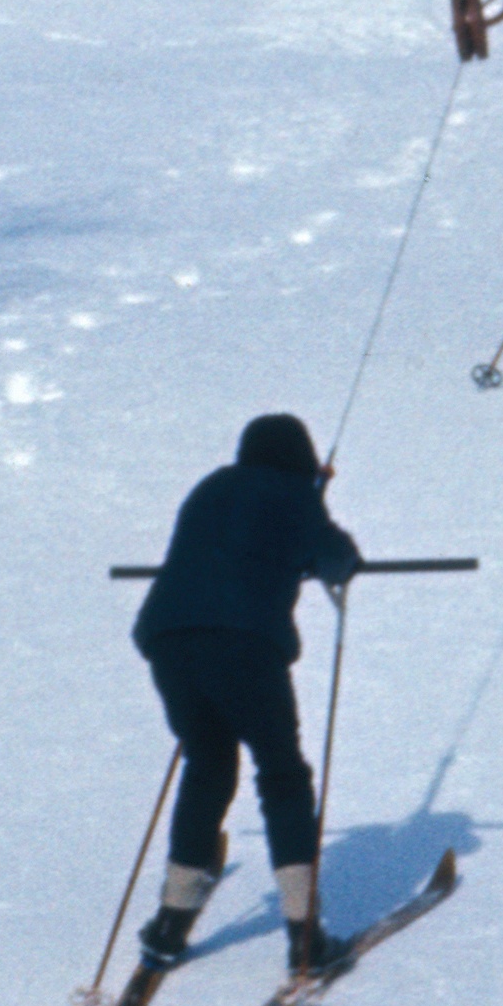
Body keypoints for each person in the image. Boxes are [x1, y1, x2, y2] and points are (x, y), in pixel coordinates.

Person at [130, 414, 368, 977]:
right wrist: (317, 510)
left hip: (168, 639)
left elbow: (237, 537)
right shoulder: (294, 494)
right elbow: (333, 557)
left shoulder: (211, 487)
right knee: (281, 773)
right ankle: (304, 935)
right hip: (245, 645)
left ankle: (171, 922)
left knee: (208, 765)